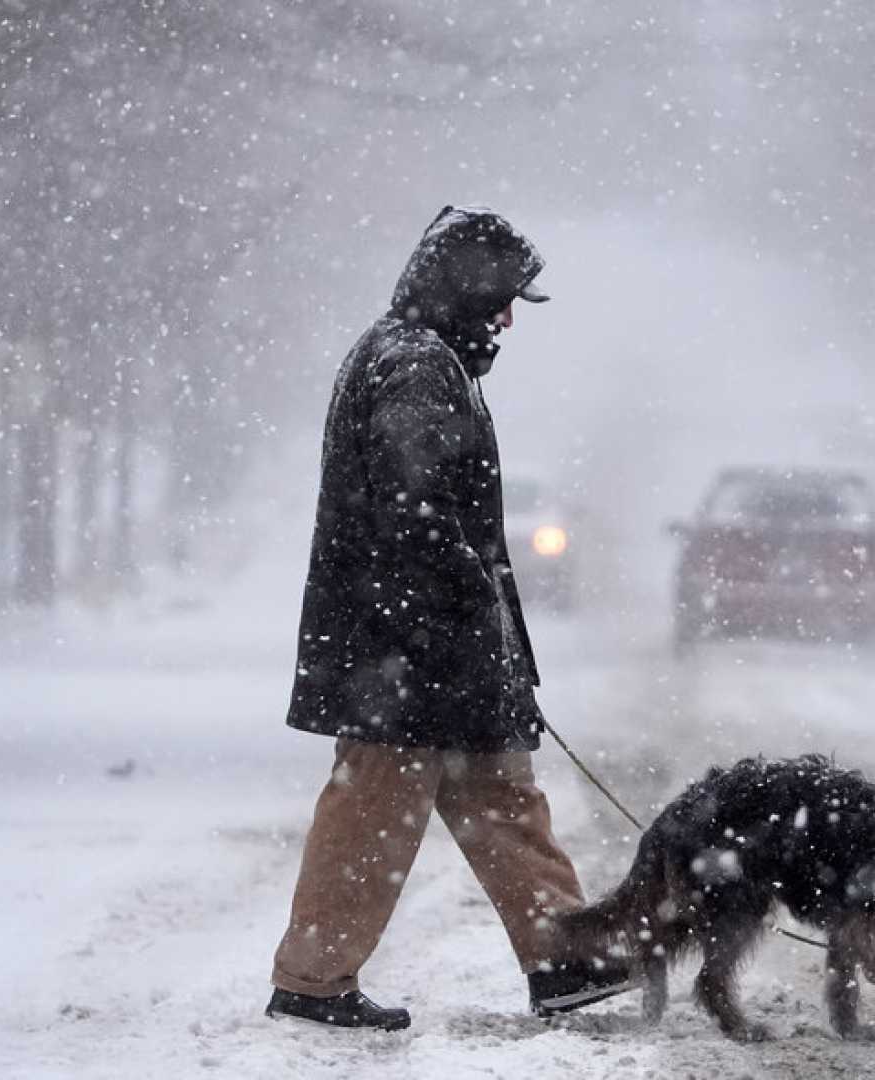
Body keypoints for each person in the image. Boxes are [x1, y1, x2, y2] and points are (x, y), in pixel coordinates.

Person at [266, 206, 629, 1031]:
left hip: (431, 645)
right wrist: (466, 611)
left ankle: (563, 959)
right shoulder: (413, 366)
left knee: (501, 795)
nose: (506, 319)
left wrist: (487, 640)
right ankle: (313, 982)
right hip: (404, 649)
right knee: (374, 812)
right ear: (462, 290)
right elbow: (414, 508)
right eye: (500, 299)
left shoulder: (422, 359)